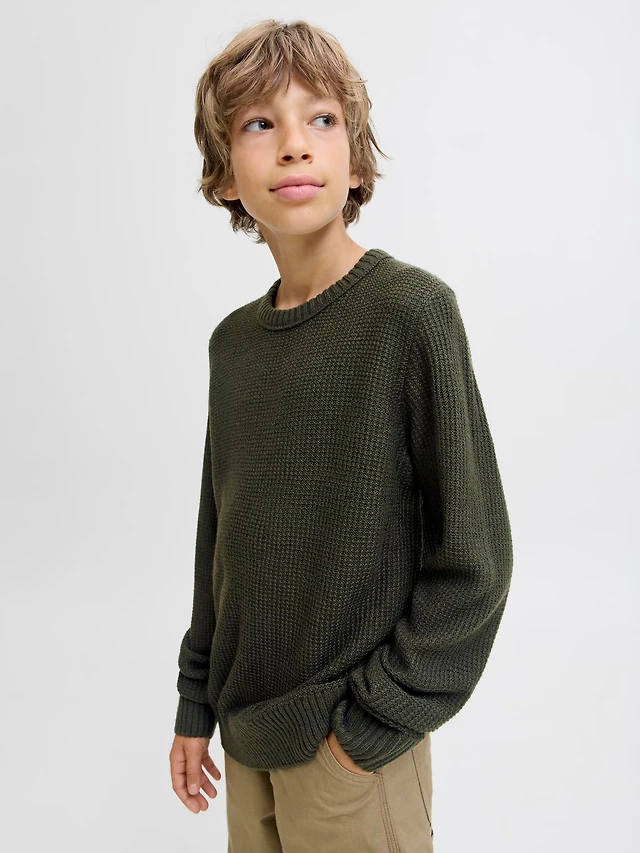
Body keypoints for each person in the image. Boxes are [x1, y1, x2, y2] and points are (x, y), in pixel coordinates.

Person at [168, 18, 513, 853]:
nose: (294, 144)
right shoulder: (233, 345)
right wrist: (195, 703)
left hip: (351, 755)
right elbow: (223, 541)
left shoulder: (410, 314)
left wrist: (368, 730)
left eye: (321, 119)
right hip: (246, 742)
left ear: (355, 162)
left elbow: (474, 559)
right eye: (261, 123)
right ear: (224, 176)